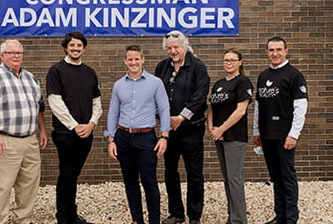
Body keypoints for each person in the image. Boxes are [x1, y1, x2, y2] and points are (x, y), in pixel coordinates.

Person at [0, 39, 48, 224]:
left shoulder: (31, 78)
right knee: (1, 187)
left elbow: (39, 108)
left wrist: (43, 131)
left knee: (29, 184)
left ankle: (24, 219)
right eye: (11, 53)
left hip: (30, 140)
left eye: (19, 53)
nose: (16, 56)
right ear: (2, 55)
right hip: (3, 140)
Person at [104, 45, 171, 224]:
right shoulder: (119, 85)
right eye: (130, 59)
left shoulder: (155, 83)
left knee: (150, 182)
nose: (133, 62)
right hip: (123, 137)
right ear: (125, 61)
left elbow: (164, 109)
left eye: (137, 59)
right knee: (130, 182)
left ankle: (154, 221)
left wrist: (164, 136)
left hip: (146, 138)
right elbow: (113, 113)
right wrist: (111, 139)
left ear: (143, 60)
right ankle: (137, 220)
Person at [46, 32, 102, 224]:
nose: (76, 49)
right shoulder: (56, 71)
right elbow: (55, 102)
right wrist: (75, 125)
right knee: (67, 173)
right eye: (72, 46)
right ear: (65, 47)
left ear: (84, 48)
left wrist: (92, 124)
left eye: (79, 46)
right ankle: (63, 217)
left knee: (73, 174)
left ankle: (71, 214)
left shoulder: (90, 73)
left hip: (86, 133)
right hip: (65, 134)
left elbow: (97, 102)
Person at [154, 30, 210, 224]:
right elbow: (156, 94)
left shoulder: (198, 67)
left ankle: (194, 216)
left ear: (184, 46)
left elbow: (200, 96)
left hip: (191, 130)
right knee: (170, 171)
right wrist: (162, 117)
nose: (173, 51)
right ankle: (176, 213)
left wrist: (181, 117)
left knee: (194, 173)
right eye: (169, 48)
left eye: (176, 47)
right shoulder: (162, 67)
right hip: (169, 130)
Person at [253, 36, 308, 224]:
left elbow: (301, 108)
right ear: (267, 52)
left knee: (288, 178)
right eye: (271, 50)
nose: (274, 53)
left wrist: (293, 134)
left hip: (285, 136)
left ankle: (291, 218)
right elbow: (258, 106)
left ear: (286, 51)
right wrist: (256, 132)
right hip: (267, 136)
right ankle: (280, 216)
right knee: (276, 177)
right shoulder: (263, 76)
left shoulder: (294, 75)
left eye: (278, 49)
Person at [207, 49, 253, 224]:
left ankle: (239, 220)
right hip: (219, 136)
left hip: (234, 137)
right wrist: (211, 127)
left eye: (232, 60)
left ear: (240, 62)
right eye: (226, 60)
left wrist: (222, 129)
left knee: (235, 179)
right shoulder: (219, 83)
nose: (228, 63)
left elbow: (240, 111)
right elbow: (211, 107)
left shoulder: (243, 82)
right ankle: (232, 216)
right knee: (227, 178)